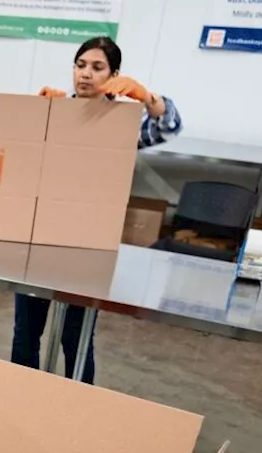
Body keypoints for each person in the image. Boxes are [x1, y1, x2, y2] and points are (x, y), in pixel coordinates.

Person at [18, 36, 182, 383]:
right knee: (25, 333)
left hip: (88, 245)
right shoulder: (56, 109)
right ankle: (21, 401)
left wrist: (149, 98)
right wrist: (36, 115)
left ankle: (78, 410)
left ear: (114, 74)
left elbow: (169, 127)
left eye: (97, 67)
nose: (86, 75)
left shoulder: (121, 121)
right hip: (39, 236)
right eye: (80, 66)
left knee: (75, 338)